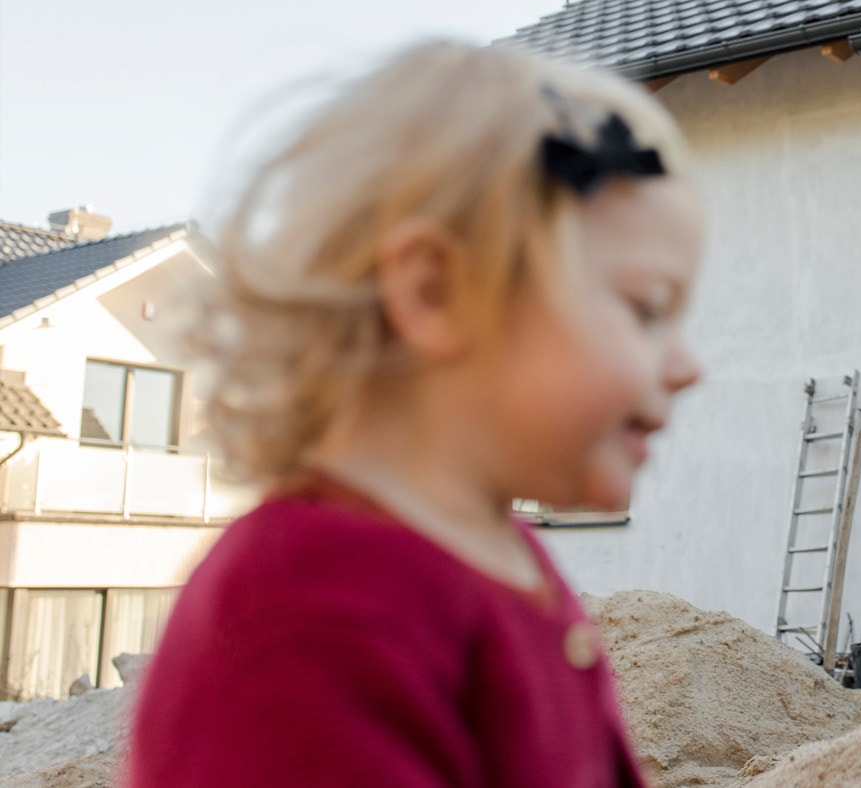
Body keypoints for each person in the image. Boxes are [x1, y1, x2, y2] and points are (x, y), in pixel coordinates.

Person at [126, 42, 702, 786]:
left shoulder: (496, 553)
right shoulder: (308, 607)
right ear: (436, 292)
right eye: (647, 310)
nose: (689, 365)